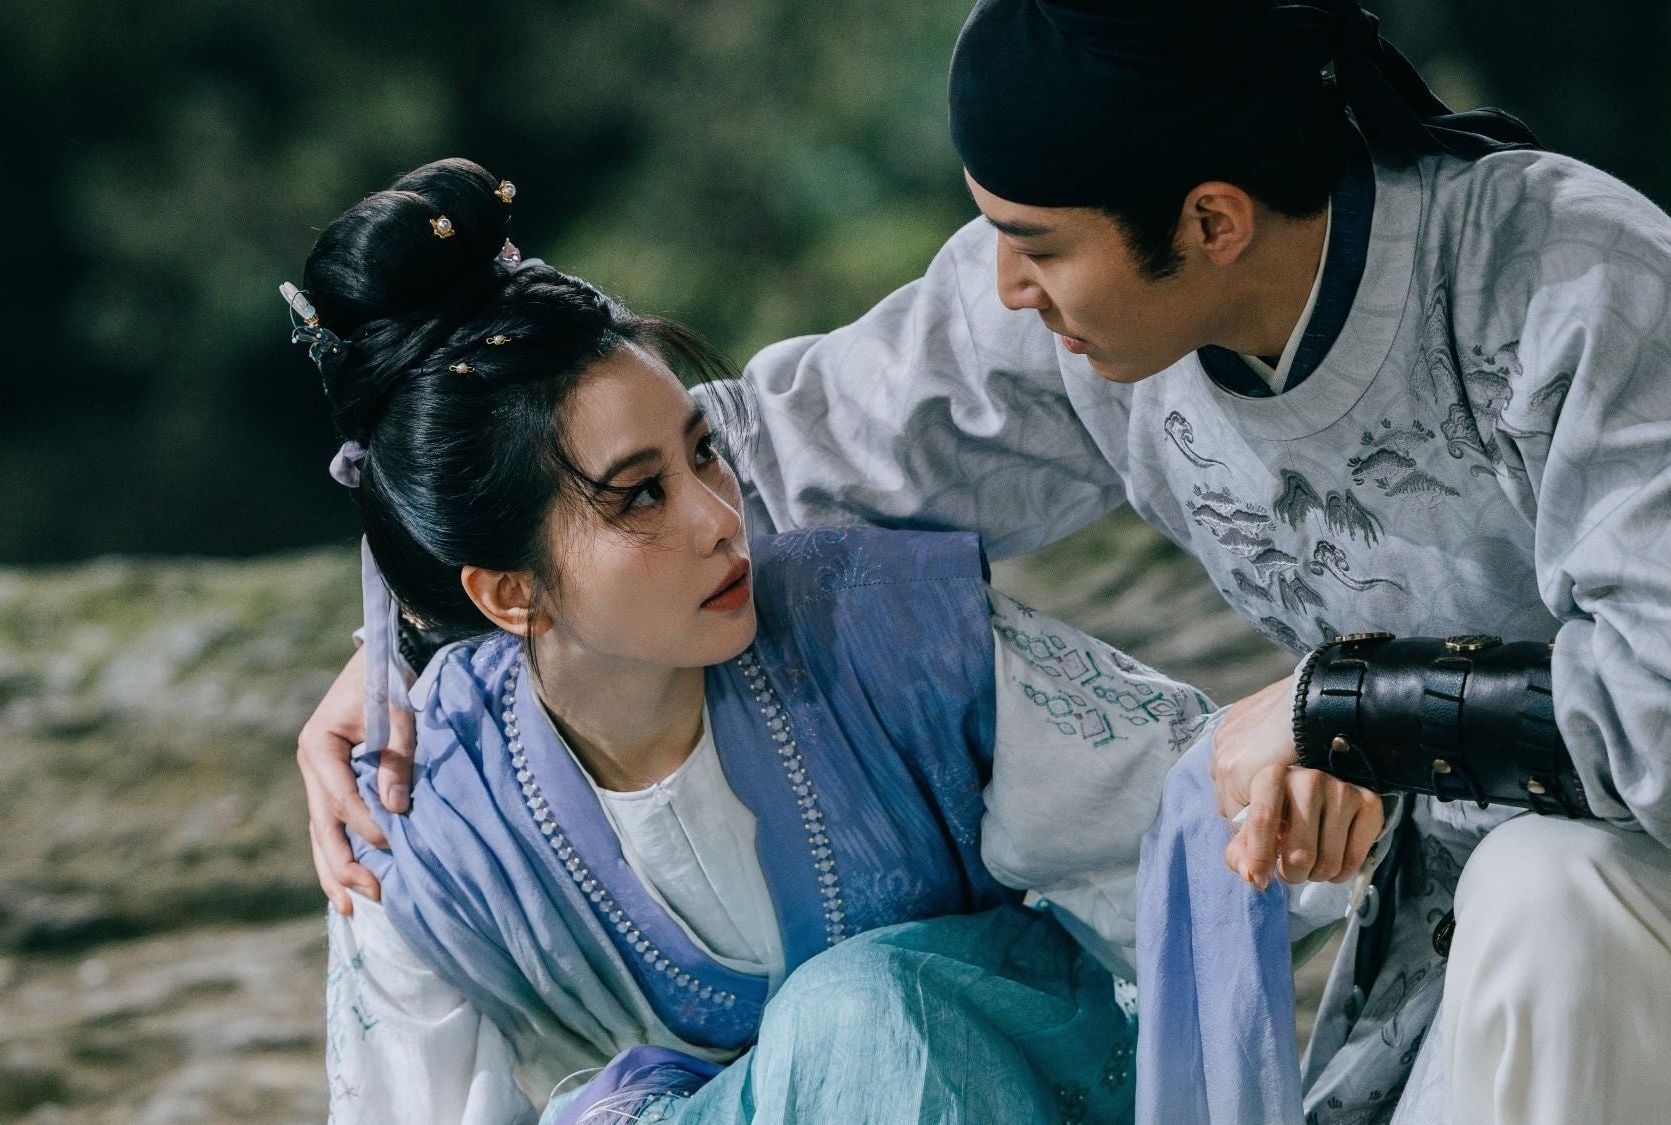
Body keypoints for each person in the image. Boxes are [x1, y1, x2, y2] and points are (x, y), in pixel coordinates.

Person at [300, 1, 1671, 1121]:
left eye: (1033, 246)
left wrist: (1341, 705)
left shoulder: (1569, 286)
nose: (1002, 291)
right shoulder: (1081, 321)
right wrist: (419, 639)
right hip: (1478, 940)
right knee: (1528, 910)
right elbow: (697, 454)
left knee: (1551, 895)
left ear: (1211, 221)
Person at [288, 157, 1240, 1125]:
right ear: (507, 593)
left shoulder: (882, 633)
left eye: (705, 451)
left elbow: (1209, 830)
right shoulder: (427, 821)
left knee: (857, 1018)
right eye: (640, 496)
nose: (719, 518)